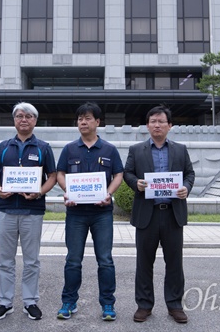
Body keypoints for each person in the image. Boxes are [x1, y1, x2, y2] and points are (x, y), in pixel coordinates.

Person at [123, 105, 195, 324]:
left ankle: (174, 305)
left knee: (174, 263)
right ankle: (144, 305)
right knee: (144, 263)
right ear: (147, 125)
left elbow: (190, 174)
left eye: (161, 121)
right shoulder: (136, 150)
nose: (156, 125)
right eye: (153, 121)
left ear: (169, 126)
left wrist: (185, 188)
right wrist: (137, 184)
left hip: (173, 214)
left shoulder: (180, 150)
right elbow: (127, 173)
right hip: (148, 214)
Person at [0, 102, 57, 321]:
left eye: (28, 116)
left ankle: (30, 301)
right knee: (5, 260)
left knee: (31, 260)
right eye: (19, 116)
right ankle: (5, 302)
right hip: (6, 210)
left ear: (35, 121)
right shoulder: (3, 147)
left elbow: (53, 176)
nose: (23, 119)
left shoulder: (43, 148)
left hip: (32, 211)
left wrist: (38, 192)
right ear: (14, 120)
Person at [56, 102, 124, 321]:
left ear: (97, 122)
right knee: (73, 260)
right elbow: (60, 174)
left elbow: (118, 175)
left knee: (105, 260)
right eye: (79, 119)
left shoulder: (109, 149)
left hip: (101, 213)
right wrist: (68, 192)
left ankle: (107, 305)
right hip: (75, 214)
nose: (82, 122)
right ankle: (68, 302)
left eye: (87, 118)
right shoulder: (69, 149)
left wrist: (108, 194)